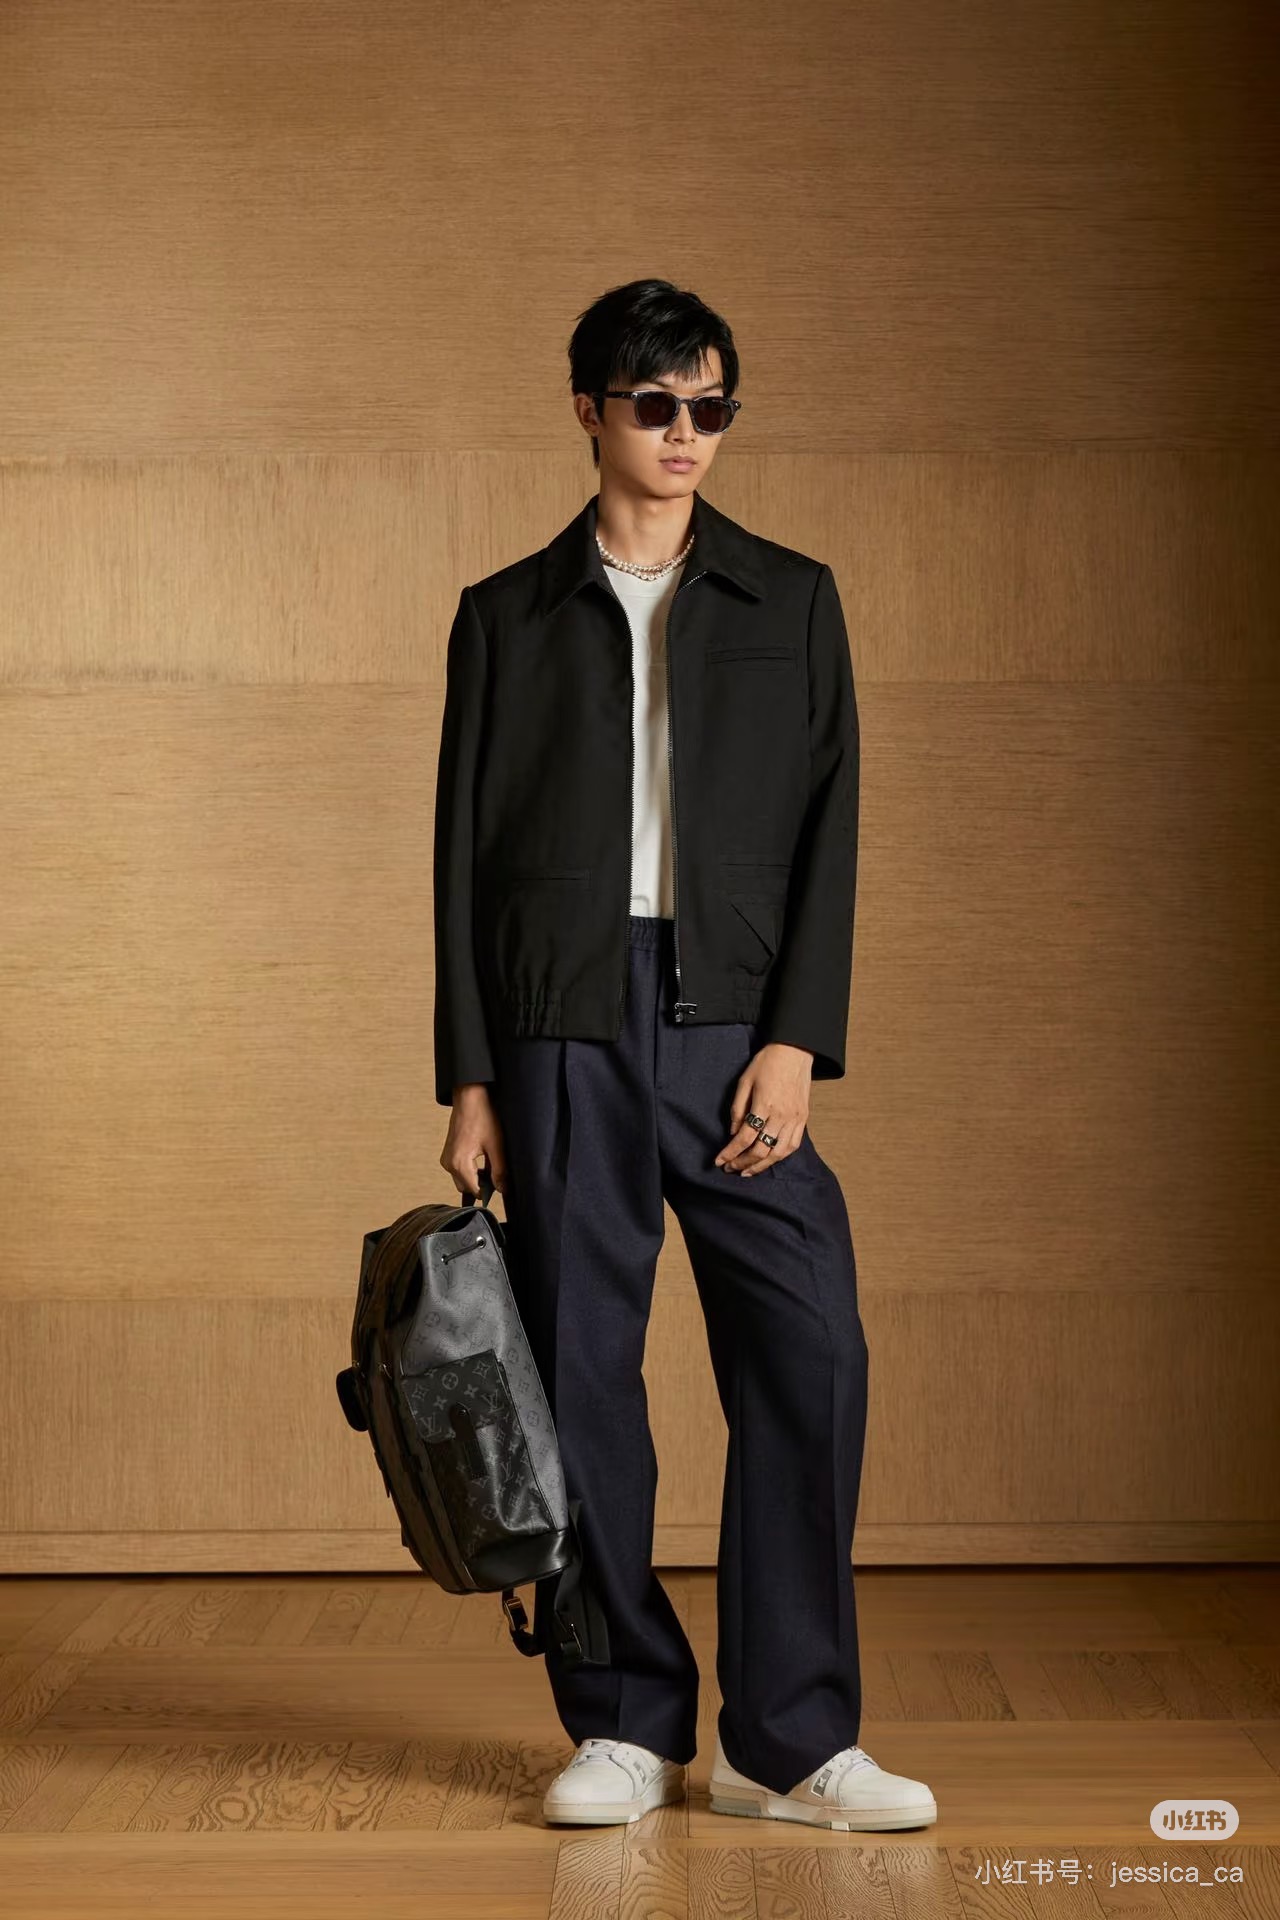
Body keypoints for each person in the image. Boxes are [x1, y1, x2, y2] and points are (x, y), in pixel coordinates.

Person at [432, 277, 937, 1832]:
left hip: (729, 1024)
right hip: (560, 1028)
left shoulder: (793, 600)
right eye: (655, 405)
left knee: (811, 1348)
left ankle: (789, 1741)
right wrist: (471, 1074)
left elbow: (834, 833)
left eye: (710, 407)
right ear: (590, 410)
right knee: (579, 1366)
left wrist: (795, 1041)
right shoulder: (505, 616)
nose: (684, 434)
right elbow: (458, 859)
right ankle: (621, 1722)